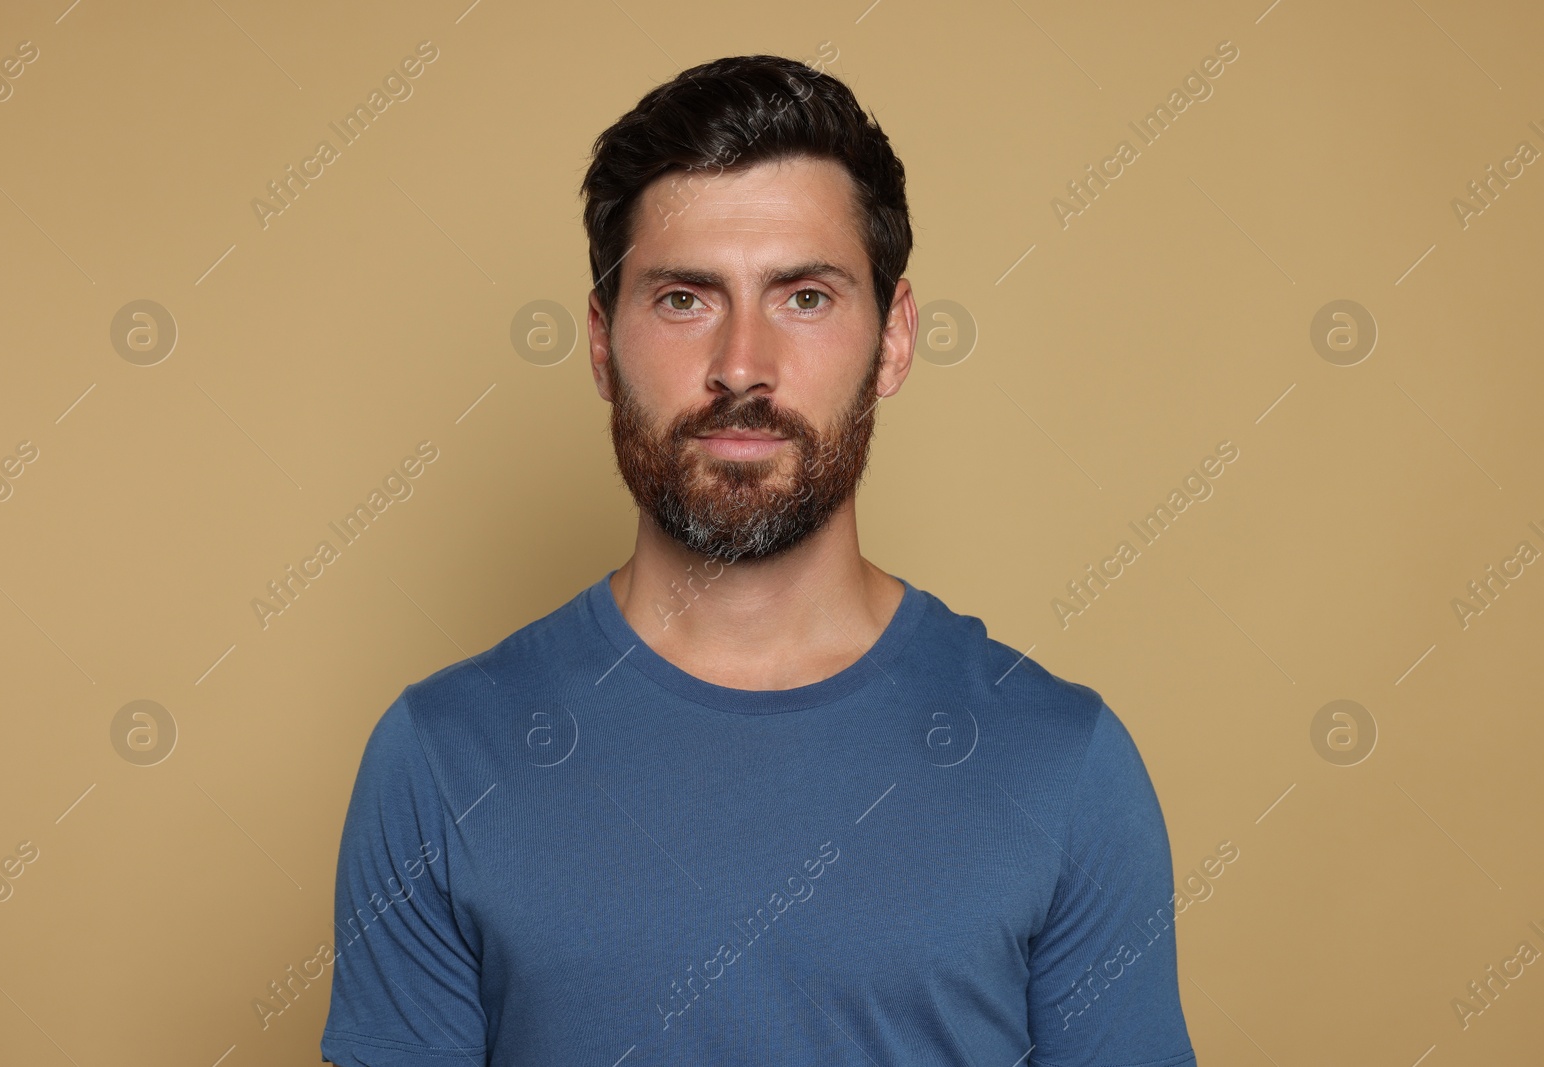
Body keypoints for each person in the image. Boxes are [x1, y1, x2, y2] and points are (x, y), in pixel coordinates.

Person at [321, 54, 1196, 1067]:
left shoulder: (1064, 763)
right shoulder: (438, 761)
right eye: (685, 298)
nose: (742, 364)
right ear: (603, 342)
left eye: (805, 297)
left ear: (895, 337)